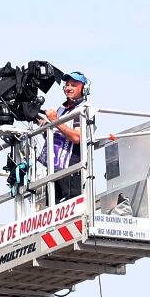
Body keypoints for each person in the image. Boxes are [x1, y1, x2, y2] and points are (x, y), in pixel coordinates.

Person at [44, 71, 89, 204]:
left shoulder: (83, 108)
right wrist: (45, 125)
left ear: (84, 88)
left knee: (72, 211)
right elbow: (57, 134)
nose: (68, 88)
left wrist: (55, 121)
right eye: (67, 84)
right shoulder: (61, 109)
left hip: (72, 169)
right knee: (53, 212)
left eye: (73, 85)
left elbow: (76, 137)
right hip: (54, 169)